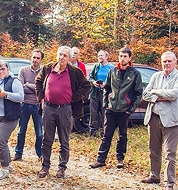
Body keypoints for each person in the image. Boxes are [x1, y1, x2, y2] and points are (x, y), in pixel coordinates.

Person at [35, 45, 90, 179]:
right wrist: (41, 97)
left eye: (65, 55)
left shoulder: (75, 72)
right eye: (60, 54)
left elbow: (86, 86)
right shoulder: (48, 68)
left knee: (64, 140)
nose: (61, 57)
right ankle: (45, 166)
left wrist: (73, 97)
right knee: (47, 139)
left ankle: (62, 167)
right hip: (48, 108)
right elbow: (38, 81)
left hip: (65, 109)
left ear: (70, 58)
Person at [140, 51, 178, 190]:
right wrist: (160, 97)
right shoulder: (156, 76)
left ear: (175, 62)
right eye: (164, 61)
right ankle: (154, 176)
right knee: (154, 150)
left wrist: (156, 92)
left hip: (172, 120)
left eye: (169, 61)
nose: (166, 64)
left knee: (169, 153)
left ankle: (169, 182)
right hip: (154, 117)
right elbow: (145, 94)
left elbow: (174, 94)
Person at [90, 46, 142, 169]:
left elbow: (138, 93)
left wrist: (131, 109)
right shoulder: (113, 71)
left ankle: (120, 159)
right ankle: (100, 160)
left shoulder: (135, 73)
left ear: (129, 58)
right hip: (111, 109)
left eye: (125, 56)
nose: (122, 59)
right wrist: (106, 104)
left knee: (122, 135)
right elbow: (106, 89)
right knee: (106, 135)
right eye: (120, 56)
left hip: (125, 110)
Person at [13, 50, 45, 161]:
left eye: (38, 58)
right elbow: (20, 87)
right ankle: (18, 153)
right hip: (24, 104)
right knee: (21, 130)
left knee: (39, 133)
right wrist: (36, 88)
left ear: (41, 60)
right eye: (33, 57)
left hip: (38, 105)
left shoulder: (44, 72)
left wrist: (29, 85)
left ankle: (40, 154)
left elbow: (44, 89)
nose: (35, 60)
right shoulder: (23, 70)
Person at [88, 50, 114, 137]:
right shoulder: (96, 66)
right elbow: (90, 77)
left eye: (101, 55)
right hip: (95, 93)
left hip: (105, 93)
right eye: (98, 55)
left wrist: (105, 85)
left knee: (105, 113)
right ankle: (92, 132)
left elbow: (114, 81)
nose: (100, 57)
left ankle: (104, 132)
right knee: (93, 113)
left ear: (107, 57)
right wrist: (93, 82)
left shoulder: (111, 68)